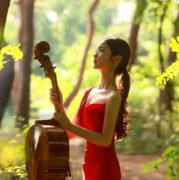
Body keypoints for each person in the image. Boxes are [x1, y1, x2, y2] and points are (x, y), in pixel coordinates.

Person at [50, 36, 131, 180]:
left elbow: (105, 140)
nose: (95, 54)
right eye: (96, 50)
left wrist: (68, 125)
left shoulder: (113, 97)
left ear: (116, 59)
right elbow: (70, 132)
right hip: (88, 165)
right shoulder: (89, 93)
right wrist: (60, 104)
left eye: (101, 50)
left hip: (105, 168)